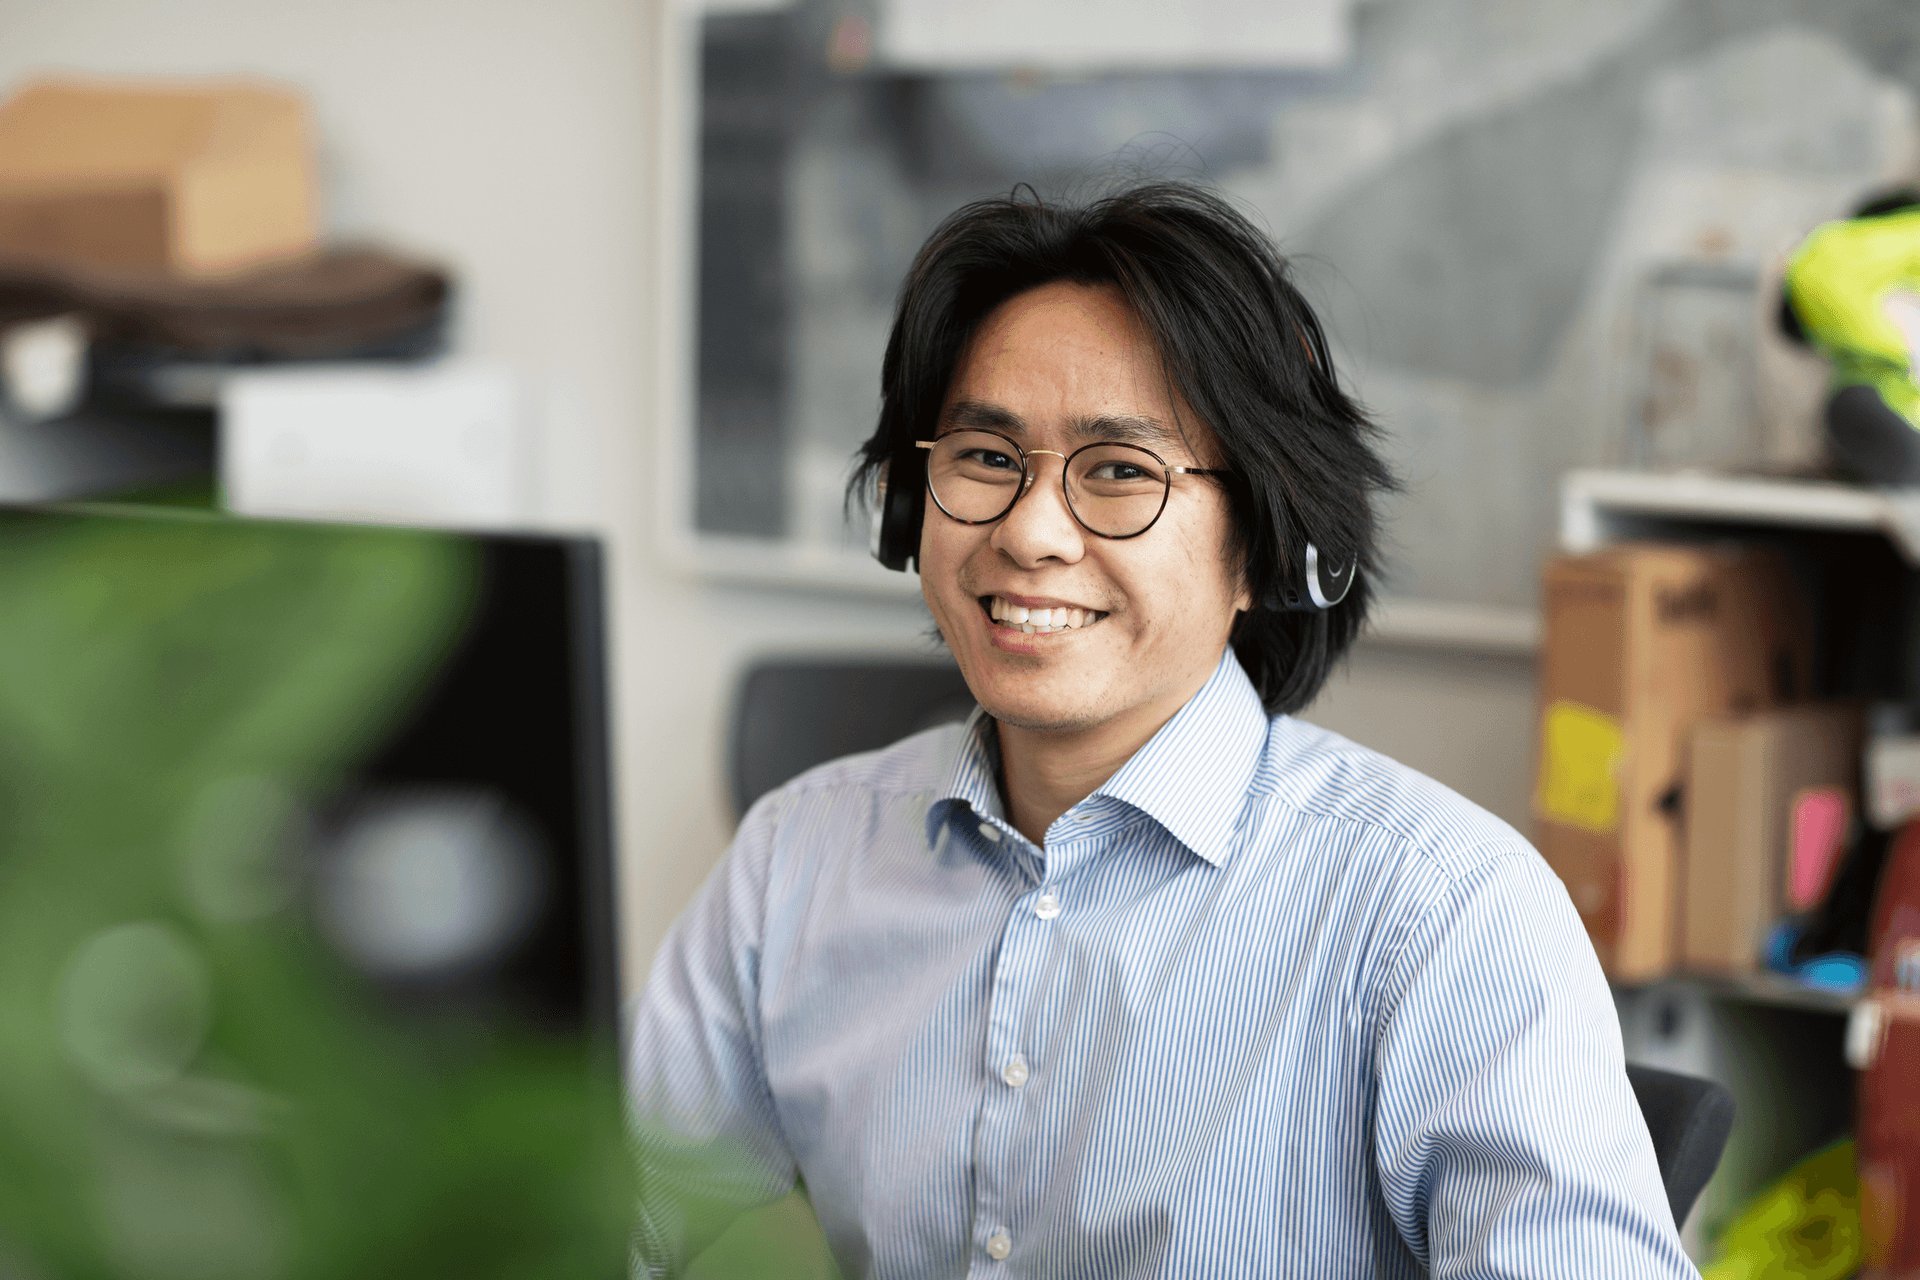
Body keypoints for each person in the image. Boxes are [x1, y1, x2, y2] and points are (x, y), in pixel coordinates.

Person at [630, 182, 1694, 1278]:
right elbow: (593, 1206)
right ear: (916, 507)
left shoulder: (1438, 908)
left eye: (1121, 472)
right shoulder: (796, 856)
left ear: (1265, 546)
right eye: (988, 457)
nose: (1032, 531)